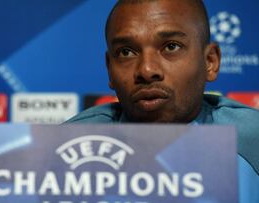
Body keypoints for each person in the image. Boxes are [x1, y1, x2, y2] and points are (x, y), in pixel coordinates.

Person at [66, 0, 259, 201]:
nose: (147, 70)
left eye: (171, 47)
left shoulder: (252, 141)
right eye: (126, 52)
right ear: (109, 70)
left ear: (210, 61)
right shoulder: (70, 146)